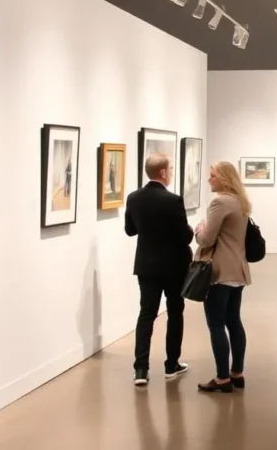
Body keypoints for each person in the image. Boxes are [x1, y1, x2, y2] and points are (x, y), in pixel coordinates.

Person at [124, 153, 194, 387]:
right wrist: (192, 230)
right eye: (170, 169)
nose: (171, 172)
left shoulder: (134, 198)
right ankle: (171, 365)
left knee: (146, 314)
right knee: (175, 312)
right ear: (163, 173)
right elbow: (184, 237)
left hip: (147, 265)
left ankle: (141, 369)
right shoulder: (173, 200)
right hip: (174, 267)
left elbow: (130, 230)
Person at [194, 162, 253, 394]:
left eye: (212, 176)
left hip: (219, 272)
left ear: (224, 178)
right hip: (237, 271)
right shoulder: (241, 202)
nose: (210, 180)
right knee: (234, 321)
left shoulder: (220, 202)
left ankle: (221, 378)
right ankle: (237, 373)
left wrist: (199, 229)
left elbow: (207, 240)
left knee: (216, 325)